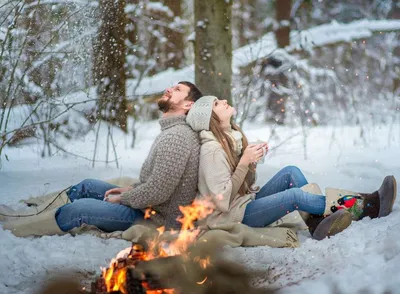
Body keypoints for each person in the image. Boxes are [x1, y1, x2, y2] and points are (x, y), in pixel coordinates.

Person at [0, 81, 203, 237]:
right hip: (150, 207)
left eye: (177, 90)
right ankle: (26, 210)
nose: (169, 89)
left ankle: (14, 227)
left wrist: (123, 198)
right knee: (88, 186)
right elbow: (157, 184)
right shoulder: (172, 132)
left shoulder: (177, 137)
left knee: (78, 210)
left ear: (188, 104)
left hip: (157, 220)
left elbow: (158, 191)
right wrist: (130, 190)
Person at [186, 96, 397, 240]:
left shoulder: (229, 139)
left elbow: (244, 185)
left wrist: (251, 163)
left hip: (243, 202)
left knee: (291, 172)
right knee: (295, 196)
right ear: (210, 118)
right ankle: (370, 206)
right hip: (232, 216)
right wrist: (243, 162)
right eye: (216, 103)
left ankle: (317, 223)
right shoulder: (211, 151)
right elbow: (222, 202)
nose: (223, 101)